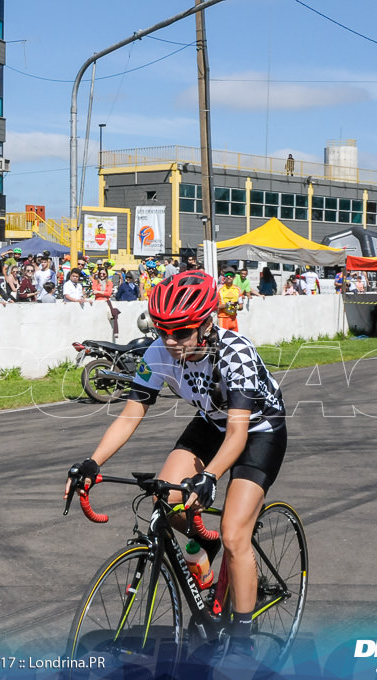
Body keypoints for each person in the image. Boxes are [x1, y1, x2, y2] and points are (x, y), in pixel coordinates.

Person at [65, 270, 287, 660]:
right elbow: (131, 413)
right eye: (163, 330)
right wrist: (91, 462)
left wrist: (209, 477)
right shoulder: (158, 352)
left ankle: (242, 642)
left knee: (235, 533)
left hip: (257, 429)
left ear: (205, 325)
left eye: (181, 333)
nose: (170, 342)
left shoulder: (235, 353)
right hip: (211, 421)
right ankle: (201, 556)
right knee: (166, 500)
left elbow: (237, 436)